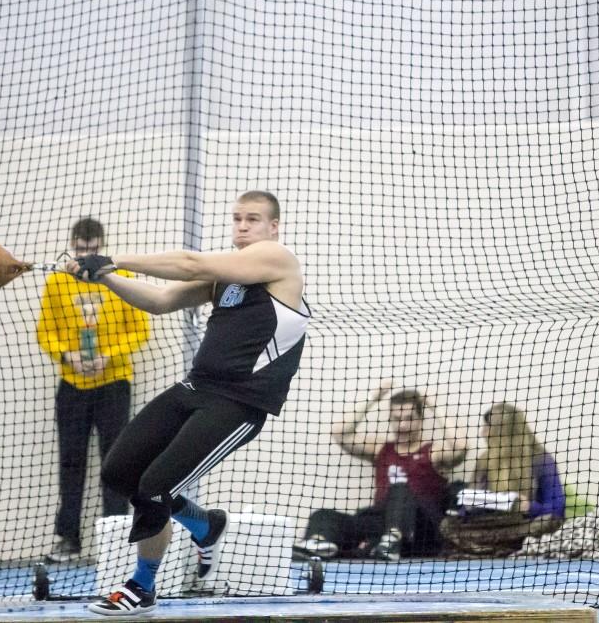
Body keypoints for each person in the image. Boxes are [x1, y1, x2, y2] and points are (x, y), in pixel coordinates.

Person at [66, 190, 310, 616]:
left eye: (253, 219)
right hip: (195, 389)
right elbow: (160, 302)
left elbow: (191, 261)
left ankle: (141, 587)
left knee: (155, 485)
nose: (242, 226)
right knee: (119, 471)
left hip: (238, 404)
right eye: (236, 219)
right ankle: (205, 525)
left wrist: (111, 260)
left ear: (274, 227)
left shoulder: (278, 259)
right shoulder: (224, 278)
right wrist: (103, 277)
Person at [36, 217, 151, 563]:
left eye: (92, 250)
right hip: (72, 385)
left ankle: (114, 539)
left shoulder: (121, 279)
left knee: (114, 461)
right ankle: (68, 538)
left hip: (114, 383)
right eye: (80, 249)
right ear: (72, 246)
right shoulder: (57, 283)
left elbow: (140, 329)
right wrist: (66, 355)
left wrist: (109, 356)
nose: (85, 255)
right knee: (71, 461)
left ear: (101, 247)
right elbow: (44, 331)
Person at [295, 381, 467, 561]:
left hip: (420, 528)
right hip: (382, 521)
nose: (402, 426)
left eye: (409, 419)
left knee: (400, 489)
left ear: (420, 420)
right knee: (324, 515)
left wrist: (435, 407)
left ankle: (393, 541)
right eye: (397, 419)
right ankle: (317, 544)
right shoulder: (381, 450)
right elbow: (340, 434)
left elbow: (461, 447)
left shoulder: (432, 453)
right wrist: (373, 399)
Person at [472, 401, 565, 537]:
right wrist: (469, 507)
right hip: (491, 527)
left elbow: (557, 509)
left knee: (546, 523)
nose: (483, 434)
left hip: (526, 528)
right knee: (447, 525)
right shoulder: (484, 460)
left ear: (504, 431)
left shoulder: (542, 460)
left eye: (488, 427)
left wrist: (529, 507)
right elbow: (473, 500)